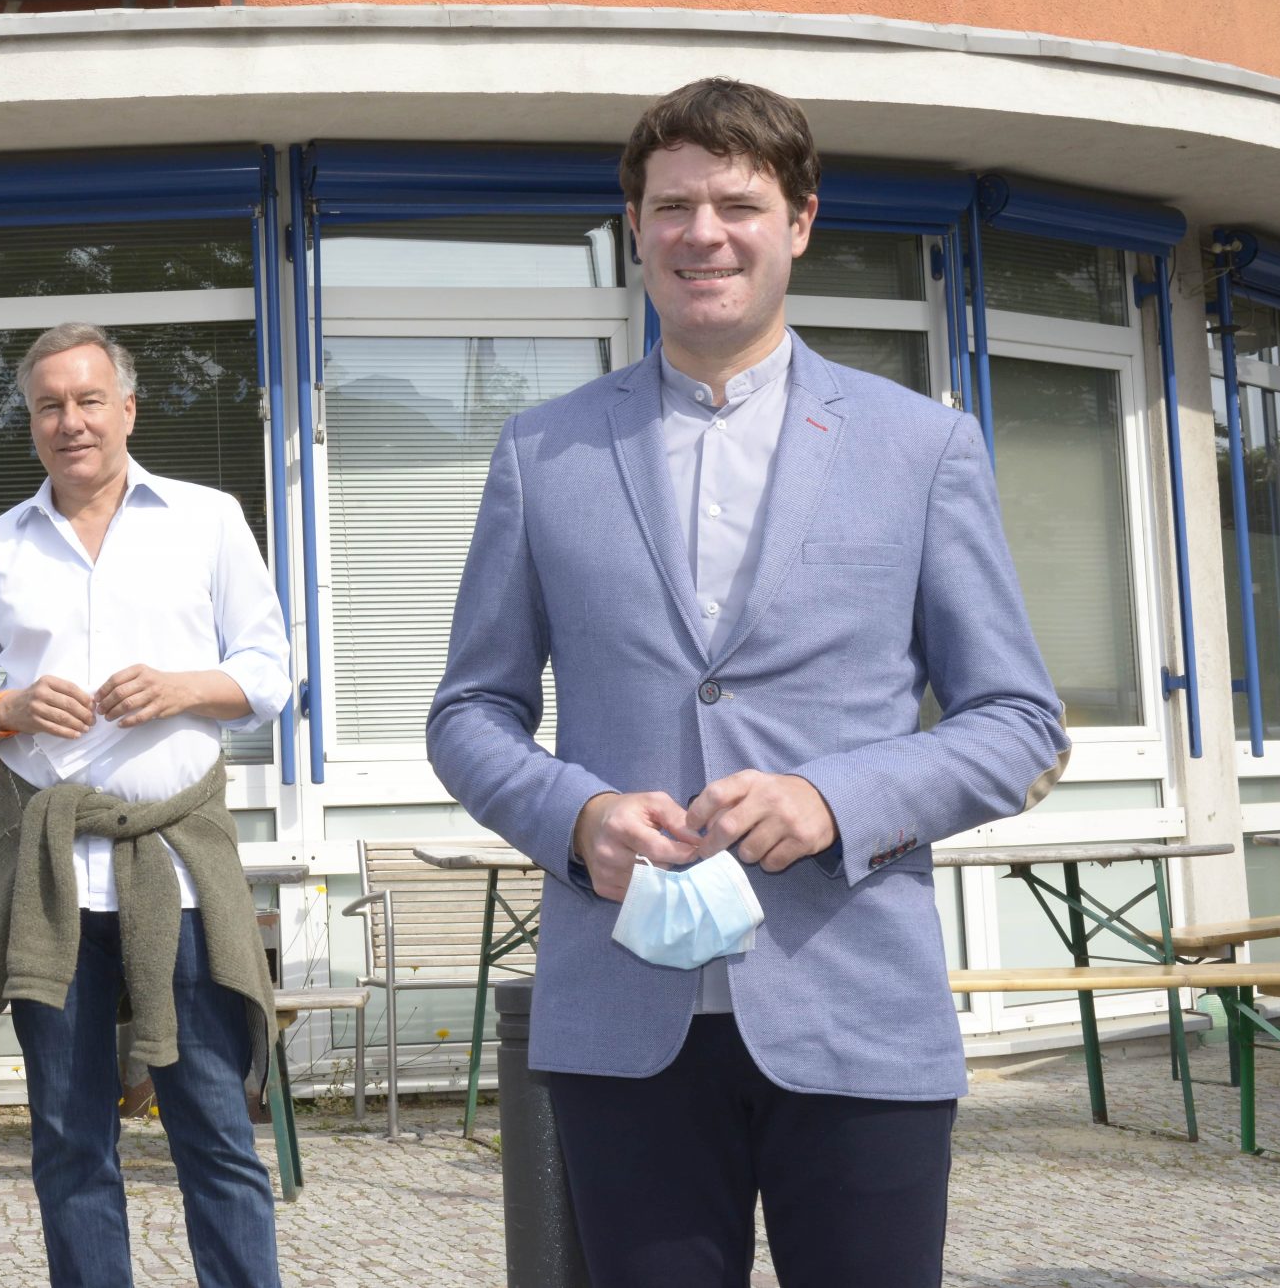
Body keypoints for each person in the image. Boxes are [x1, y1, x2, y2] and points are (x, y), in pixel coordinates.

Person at [427, 79, 1069, 1288]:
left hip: (854, 1005)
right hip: (624, 1013)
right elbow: (469, 712)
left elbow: (1020, 722)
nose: (702, 232)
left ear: (800, 221)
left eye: (737, 202)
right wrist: (573, 815)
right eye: (672, 204)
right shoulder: (543, 450)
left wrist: (836, 798)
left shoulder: (918, 445)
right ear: (635, 227)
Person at [0, 323, 291, 1288]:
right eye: (50, 405)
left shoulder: (208, 520)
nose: (70, 421)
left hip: (177, 869)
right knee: (70, 1139)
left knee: (214, 1126)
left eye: (89, 400)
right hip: (54, 881)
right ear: (31, 422)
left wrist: (180, 687)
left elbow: (271, 673)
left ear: (129, 408)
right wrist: (2, 709)